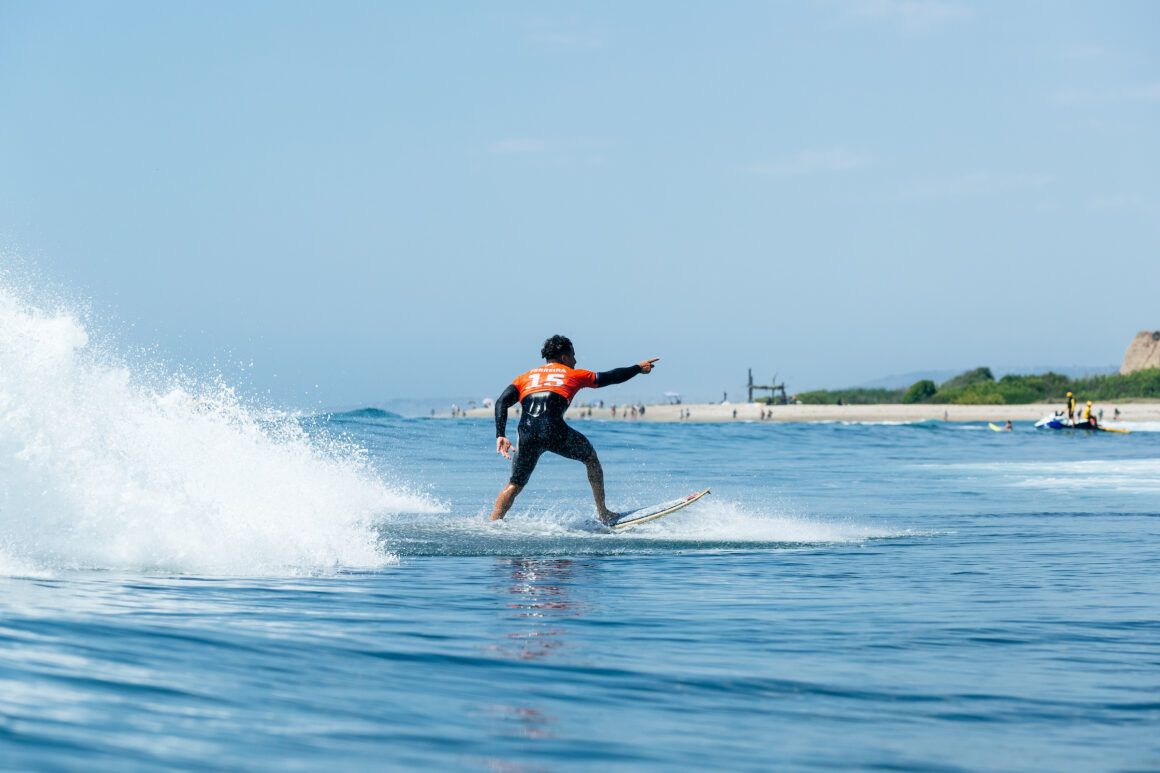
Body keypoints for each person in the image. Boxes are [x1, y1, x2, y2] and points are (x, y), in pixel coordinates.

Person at [490, 335, 658, 523]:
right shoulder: (573, 374)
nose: (575, 361)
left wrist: (500, 434)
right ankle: (603, 513)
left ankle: (493, 523)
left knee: (515, 484)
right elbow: (611, 377)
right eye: (573, 356)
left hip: (527, 432)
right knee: (591, 459)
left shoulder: (526, 377)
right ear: (564, 357)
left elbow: (501, 402)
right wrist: (637, 368)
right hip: (553, 429)